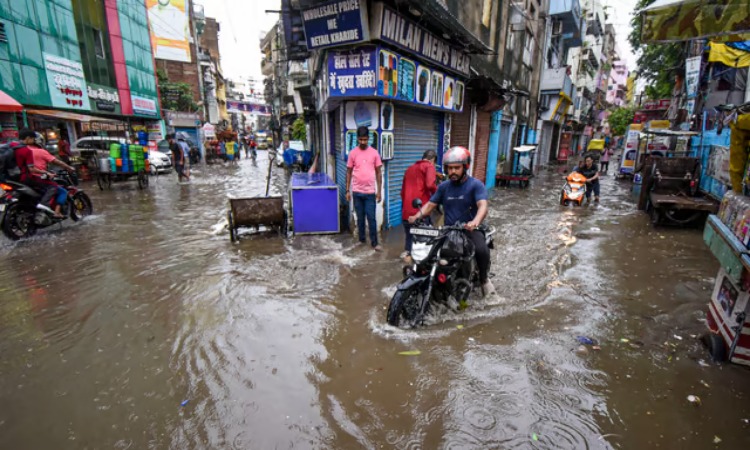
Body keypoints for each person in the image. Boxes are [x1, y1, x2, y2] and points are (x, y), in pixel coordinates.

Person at [408, 146, 495, 297]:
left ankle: (484, 280)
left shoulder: (475, 185)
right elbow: (430, 205)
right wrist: (417, 216)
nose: (452, 172)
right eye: (449, 168)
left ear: (465, 167)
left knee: (481, 250)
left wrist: (474, 222)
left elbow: (483, 206)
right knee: (430, 254)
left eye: (456, 168)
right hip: (448, 230)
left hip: (469, 230)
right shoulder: (443, 187)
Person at [346, 126, 383, 251]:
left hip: (370, 193)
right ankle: (362, 240)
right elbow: (349, 172)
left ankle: (374, 243)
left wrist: (379, 191)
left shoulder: (374, 153)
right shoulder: (353, 153)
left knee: (371, 218)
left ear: (368, 138)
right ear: (357, 139)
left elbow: (379, 172)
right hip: (357, 192)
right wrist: (347, 190)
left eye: (365, 139)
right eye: (361, 139)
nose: (363, 142)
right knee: (360, 218)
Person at [14, 129, 63, 217]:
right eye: (33, 139)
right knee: (53, 186)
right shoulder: (26, 151)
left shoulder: (14, 148)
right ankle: (44, 204)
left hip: (17, 178)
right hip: (29, 177)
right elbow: (32, 169)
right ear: (28, 138)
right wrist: (47, 173)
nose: (34, 141)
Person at [400, 149, 438, 258]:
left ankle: (408, 255)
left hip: (407, 212)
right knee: (424, 243)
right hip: (420, 210)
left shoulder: (409, 169)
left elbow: (402, 193)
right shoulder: (429, 166)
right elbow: (430, 185)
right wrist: (438, 193)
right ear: (433, 160)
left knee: (409, 239)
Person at [29, 139, 75, 217]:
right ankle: (56, 211)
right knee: (62, 191)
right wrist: (69, 167)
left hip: (27, 179)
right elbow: (56, 161)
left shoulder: (24, 151)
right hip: (40, 177)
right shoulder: (40, 151)